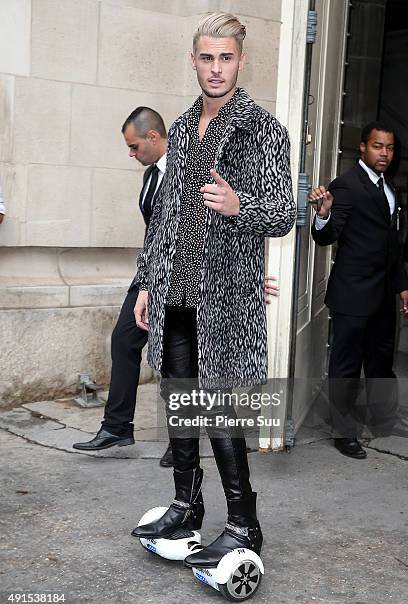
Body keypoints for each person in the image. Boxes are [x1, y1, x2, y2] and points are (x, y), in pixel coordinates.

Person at [131, 12, 295, 569]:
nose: (216, 68)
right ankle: (186, 503)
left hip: (224, 297)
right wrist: (150, 282)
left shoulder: (262, 129)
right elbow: (168, 216)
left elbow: (282, 216)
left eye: (226, 58)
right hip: (177, 288)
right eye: (207, 57)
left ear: (241, 60)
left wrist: (238, 205)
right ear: (193, 59)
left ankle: (245, 525)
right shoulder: (177, 128)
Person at [73, 107, 173, 468]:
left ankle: (181, 440)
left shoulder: (189, 169)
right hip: (150, 274)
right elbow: (153, 233)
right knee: (124, 339)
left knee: (177, 359)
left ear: (152, 137)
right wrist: (145, 281)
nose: (130, 154)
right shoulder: (151, 175)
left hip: (180, 277)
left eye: (133, 146)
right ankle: (117, 426)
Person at [309, 121, 408, 459]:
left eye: (390, 148)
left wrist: (402, 286)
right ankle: (343, 431)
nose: (385, 153)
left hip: (383, 295)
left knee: (381, 361)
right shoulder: (347, 186)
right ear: (363, 147)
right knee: (346, 366)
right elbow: (326, 236)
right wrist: (323, 215)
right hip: (352, 295)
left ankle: (383, 418)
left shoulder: (388, 186)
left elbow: (391, 244)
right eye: (378, 146)